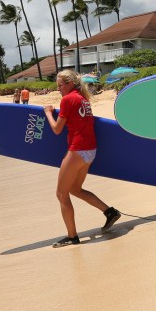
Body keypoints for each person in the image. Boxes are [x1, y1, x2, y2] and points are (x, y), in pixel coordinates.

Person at [43, 69, 121, 247]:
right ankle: (110, 212)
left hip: (77, 150)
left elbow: (56, 129)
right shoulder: (83, 99)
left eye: (60, 85)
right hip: (90, 151)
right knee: (75, 189)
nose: (59, 89)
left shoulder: (68, 99)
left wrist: (48, 112)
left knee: (61, 194)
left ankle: (72, 236)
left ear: (70, 83)